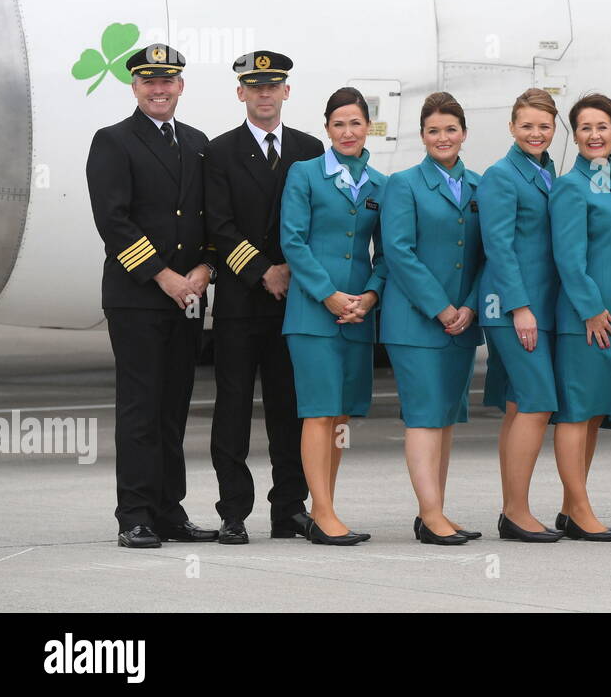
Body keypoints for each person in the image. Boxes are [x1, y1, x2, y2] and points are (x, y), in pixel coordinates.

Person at [85, 44, 219, 548]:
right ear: (135, 87)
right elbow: (113, 221)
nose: (159, 90)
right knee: (140, 408)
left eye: (168, 81)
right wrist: (164, 275)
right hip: (138, 296)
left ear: (181, 85)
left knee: (173, 407)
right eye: (148, 82)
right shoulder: (113, 141)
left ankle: (168, 510)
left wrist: (206, 268)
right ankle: (135, 515)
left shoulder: (198, 142)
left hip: (188, 296)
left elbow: (207, 216)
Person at [204, 51, 324, 545]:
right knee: (232, 411)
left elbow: (320, 219)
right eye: (255, 87)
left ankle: (289, 509)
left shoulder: (311, 147)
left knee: (288, 408)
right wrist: (262, 272)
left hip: (294, 302)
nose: (265, 94)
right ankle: (233, 512)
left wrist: (292, 270)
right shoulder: (219, 151)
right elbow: (218, 225)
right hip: (240, 303)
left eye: (273, 86)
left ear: (286, 92)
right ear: (241, 94)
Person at [279, 86, 386, 546]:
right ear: (327, 129)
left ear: (368, 128)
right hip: (314, 313)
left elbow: (385, 255)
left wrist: (370, 296)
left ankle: (328, 508)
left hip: (357, 315)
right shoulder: (304, 174)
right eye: (338, 123)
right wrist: (328, 295)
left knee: (341, 416)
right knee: (319, 413)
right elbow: (293, 241)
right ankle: (320, 513)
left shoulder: (382, 184)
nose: (347, 131)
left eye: (355, 123)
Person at [381, 93, 484, 546]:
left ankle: (435, 511)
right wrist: (442, 307)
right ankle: (429, 514)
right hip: (417, 323)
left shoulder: (480, 186)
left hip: (462, 321)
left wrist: (472, 306)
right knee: (423, 417)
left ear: (463, 133)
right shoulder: (403, 185)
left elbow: (489, 255)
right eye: (433, 131)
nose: (443, 138)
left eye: (450, 129)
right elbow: (398, 253)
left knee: (444, 418)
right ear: (422, 136)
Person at [548, 94, 611, 542]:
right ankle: (581, 509)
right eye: (585, 128)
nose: (595, 135)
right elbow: (568, 257)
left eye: (602, 126)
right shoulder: (571, 186)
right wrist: (589, 309)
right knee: (576, 413)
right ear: (576, 134)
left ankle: (571, 507)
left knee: (592, 416)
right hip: (588, 318)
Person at [478, 88, 563, 543]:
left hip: (538, 306)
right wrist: (520, 308)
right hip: (513, 307)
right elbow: (499, 246)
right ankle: (517, 511)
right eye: (527, 125)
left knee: (517, 406)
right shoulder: (501, 175)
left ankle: (513, 510)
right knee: (538, 401)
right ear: (511, 127)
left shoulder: (547, 172)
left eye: (544, 126)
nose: (536, 133)